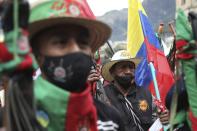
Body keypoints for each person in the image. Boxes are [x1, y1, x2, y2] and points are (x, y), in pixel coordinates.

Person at [29, 0, 111, 130]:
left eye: (83, 42)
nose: (75, 49)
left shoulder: (111, 120)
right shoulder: (13, 119)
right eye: (61, 42)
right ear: (37, 54)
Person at [101, 50, 169, 131]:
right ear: (112, 72)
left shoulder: (146, 94)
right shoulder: (103, 96)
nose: (128, 71)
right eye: (123, 67)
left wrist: (163, 117)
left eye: (131, 67)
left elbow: (157, 118)